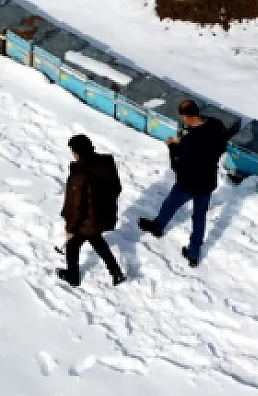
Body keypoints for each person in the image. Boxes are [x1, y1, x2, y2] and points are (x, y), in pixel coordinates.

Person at [138, 99, 234, 266]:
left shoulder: (190, 141)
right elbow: (220, 146)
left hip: (189, 183)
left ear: (187, 117)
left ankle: (158, 227)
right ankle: (194, 253)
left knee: (170, 204)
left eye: (182, 117)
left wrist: (173, 146)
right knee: (199, 217)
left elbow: (177, 165)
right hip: (208, 180)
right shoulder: (215, 125)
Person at [57, 134, 125, 288]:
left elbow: (76, 206)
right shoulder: (107, 163)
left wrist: (70, 228)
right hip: (103, 216)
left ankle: (72, 276)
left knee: (73, 246)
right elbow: (117, 188)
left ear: (76, 152)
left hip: (87, 220)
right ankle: (115, 272)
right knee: (96, 239)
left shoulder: (79, 175)